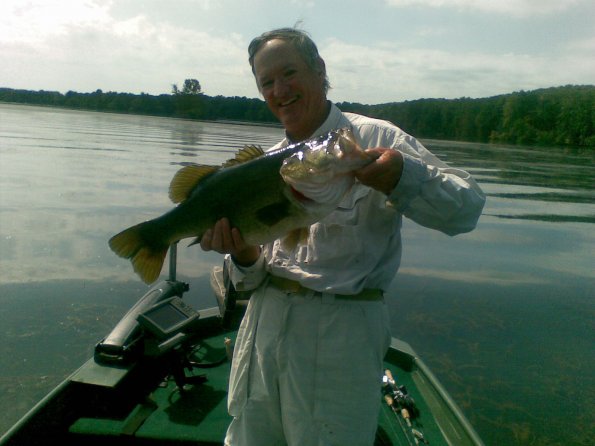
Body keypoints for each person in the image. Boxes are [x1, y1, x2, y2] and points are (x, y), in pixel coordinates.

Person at [201, 28, 486, 446]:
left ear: (319, 70)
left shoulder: (375, 139)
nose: (279, 90)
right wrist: (243, 254)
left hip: (341, 338)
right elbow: (252, 278)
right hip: (262, 333)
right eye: (267, 82)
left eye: (289, 73)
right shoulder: (268, 163)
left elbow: (465, 210)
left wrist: (401, 177)